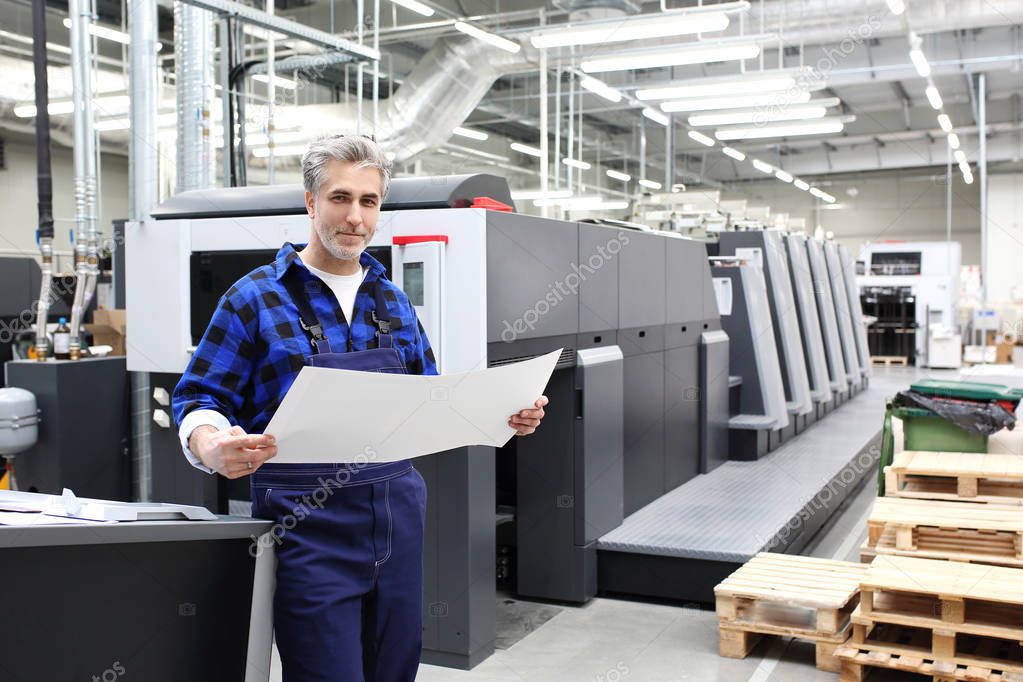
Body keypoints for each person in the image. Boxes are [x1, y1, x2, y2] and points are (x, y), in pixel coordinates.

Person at [171, 134, 548, 682]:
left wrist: (505, 415)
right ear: (310, 202)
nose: (355, 217)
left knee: (395, 669)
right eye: (340, 198)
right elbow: (199, 394)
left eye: (369, 202)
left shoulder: (392, 300)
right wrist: (210, 444)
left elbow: (430, 399)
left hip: (397, 518)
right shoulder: (253, 298)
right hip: (307, 526)